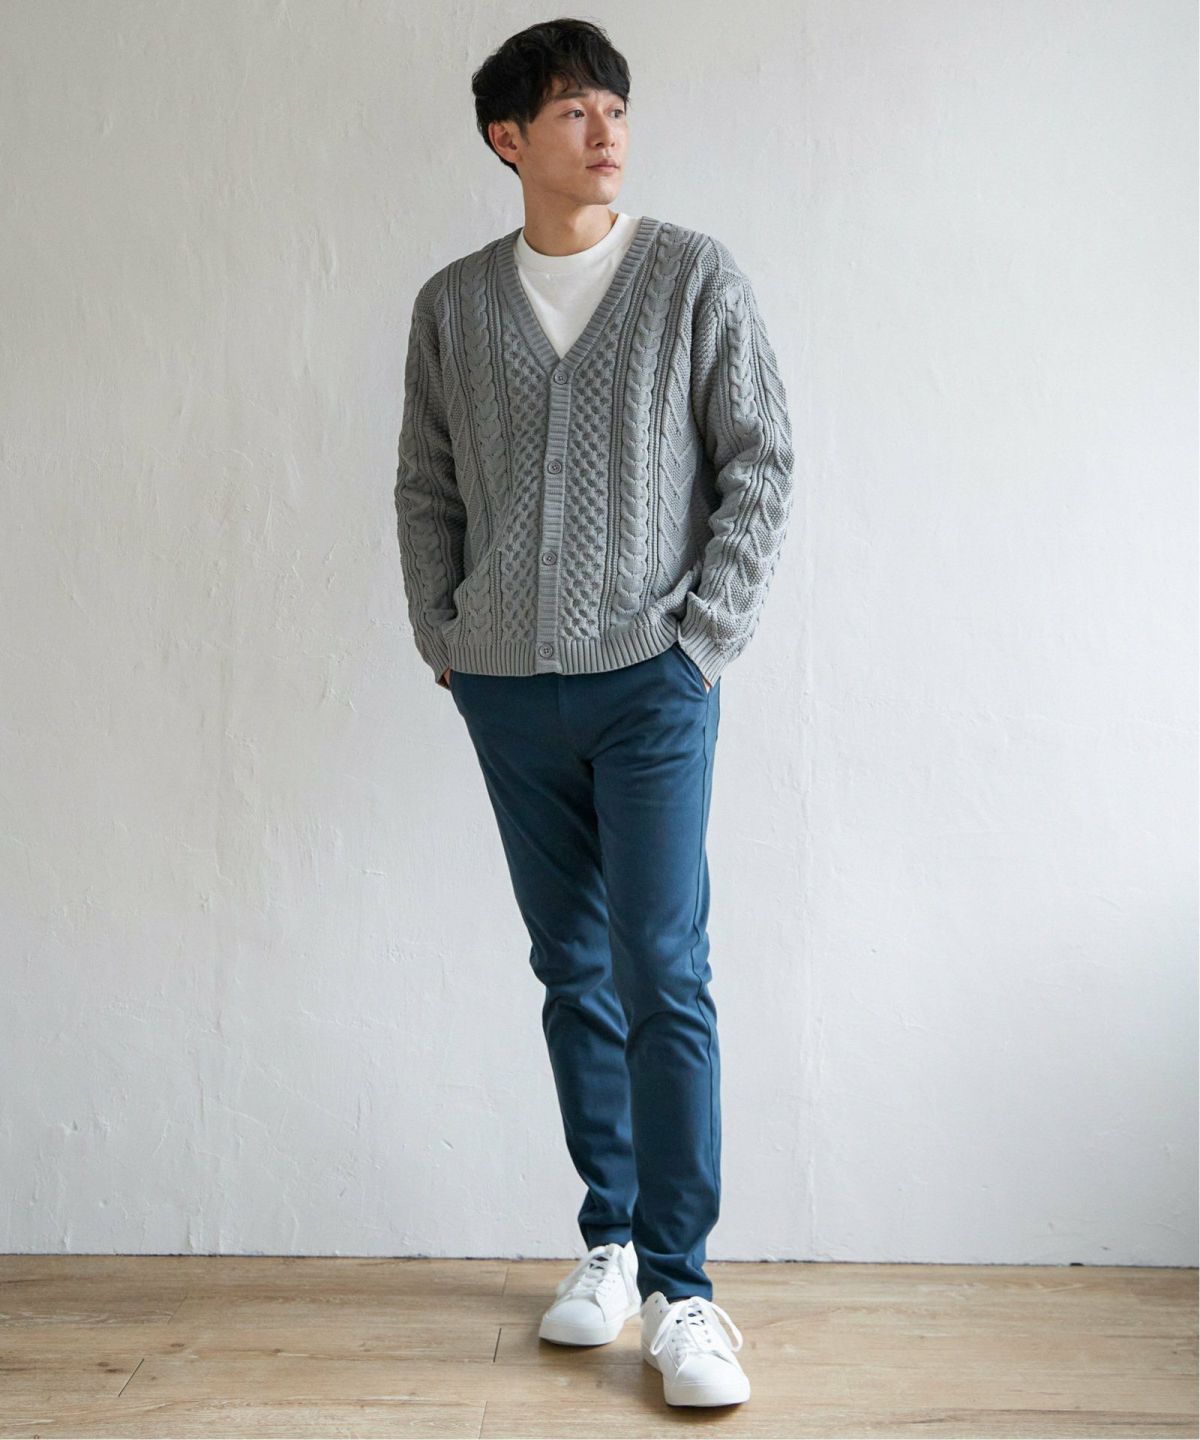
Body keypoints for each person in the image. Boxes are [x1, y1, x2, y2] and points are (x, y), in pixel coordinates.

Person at [394, 17, 795, 1409]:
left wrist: (702, 645)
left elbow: (761, 461)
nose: (606, 131)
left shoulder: (691, 277)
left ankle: (685, 1290)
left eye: (615, 106)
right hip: (503, 689)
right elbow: (425, 486)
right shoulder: (453, 306)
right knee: (571, 967)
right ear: (508, 138)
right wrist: (445, 641)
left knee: (662, 969)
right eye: (573, 111)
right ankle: (610, 1241)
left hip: (652, 685)